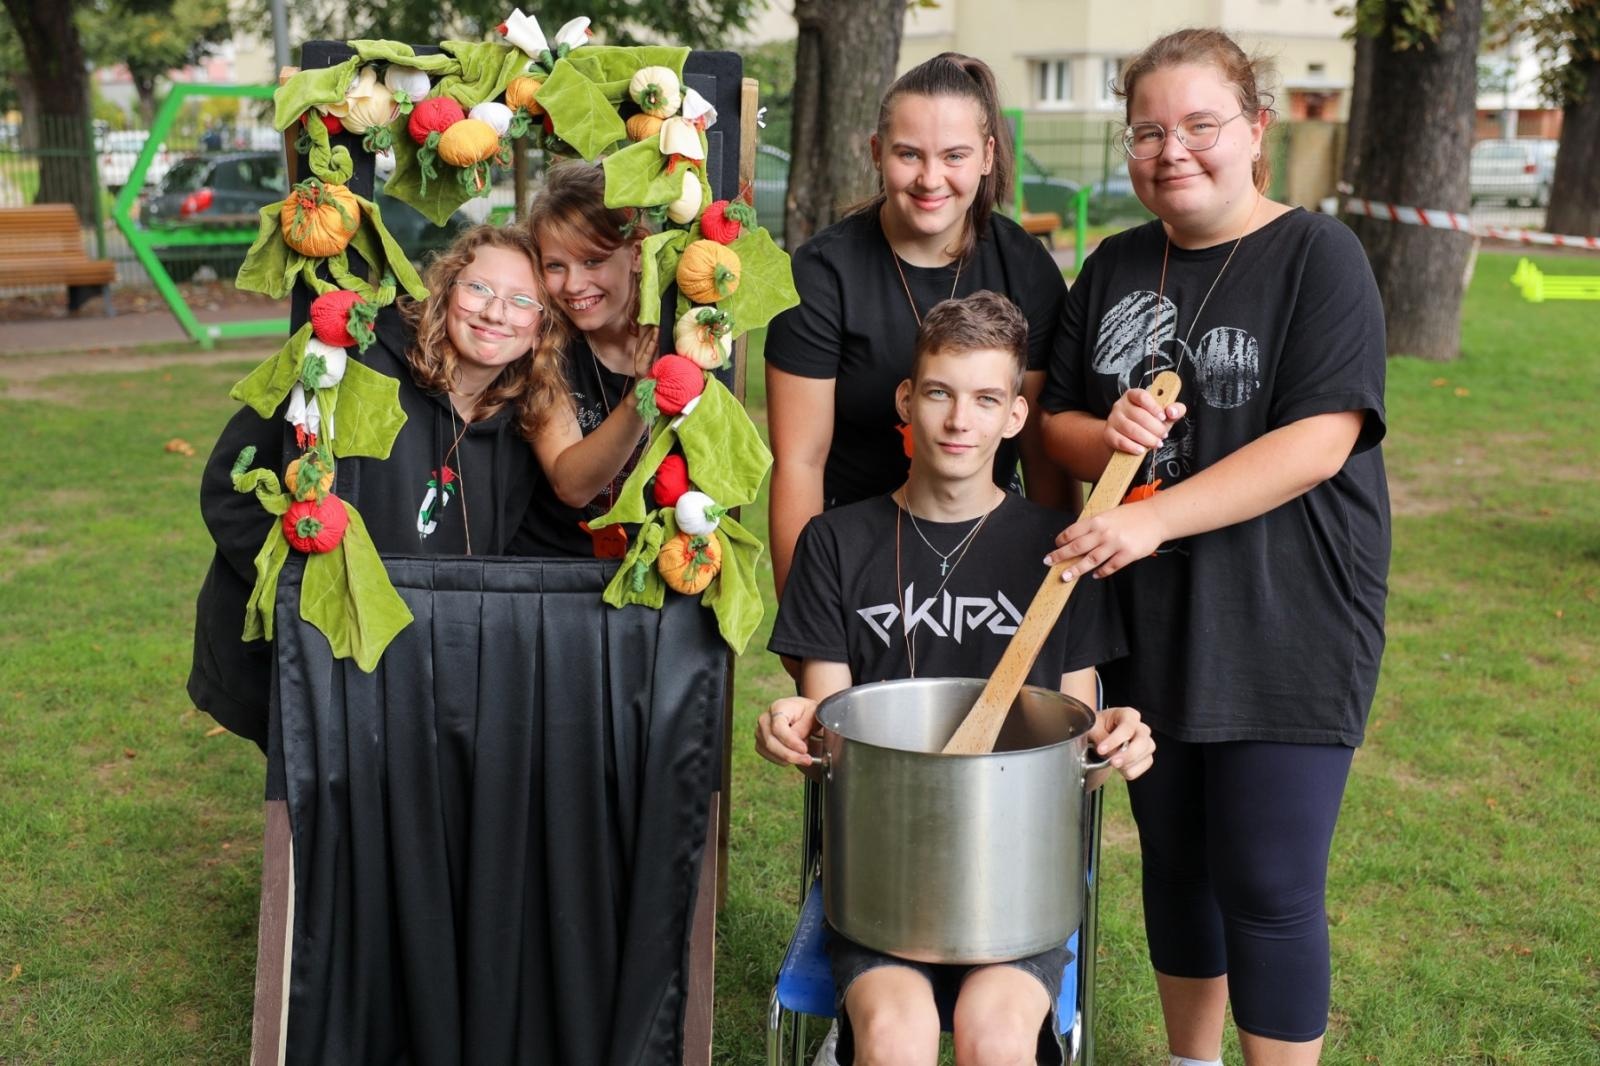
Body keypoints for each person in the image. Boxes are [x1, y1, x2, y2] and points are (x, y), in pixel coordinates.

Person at [1037, 28, 1389, 1066]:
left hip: (1288, 612)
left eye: (1199, 124)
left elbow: (1321, 440)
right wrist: (1100, 435)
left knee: (1268, 882)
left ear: (1253, 129)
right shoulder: (1110, 263)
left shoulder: (1316, 255)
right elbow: (1049, 421)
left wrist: (1147, 517)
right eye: (1147, 129)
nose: (1171, 149)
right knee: (1176, 862)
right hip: (1149, 619)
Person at [757, 291, 1155, 1066]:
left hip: (1020, 878)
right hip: (880, 873)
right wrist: (792, 724)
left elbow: (1074, 732)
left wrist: (1110, 741)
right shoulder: (835, 544)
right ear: (908, 399)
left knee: (996, 1035)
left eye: (985, 399)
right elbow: (828, 716)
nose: (958, 421)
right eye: (939, 393)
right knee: (897, 1036)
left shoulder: (1062, 550)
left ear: (1015, 416)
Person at [188, 224, 567, 749]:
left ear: (542, 326)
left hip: (413, 678)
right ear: (446, 288)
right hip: (311, 654)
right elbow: (231, 483)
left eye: (521, 301)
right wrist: (308, 597)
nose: (495, 312)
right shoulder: (350, 364)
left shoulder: (519, 427)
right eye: (478, 288)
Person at [764, 52, 1074, 607]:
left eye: (954, 155)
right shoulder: (821, 273)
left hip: (993, 555)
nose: (931, 179)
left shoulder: (1025, 268)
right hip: (855, 556)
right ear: (878, 154)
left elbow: (1042, 454)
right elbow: (799, 463)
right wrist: (800, 616)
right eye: (909, 154)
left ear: (987, 157)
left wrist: (1060, 599)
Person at [520, 160, 662, 558]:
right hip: (549, 572)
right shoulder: (545, 345)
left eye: (593, 261)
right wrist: (641, 396)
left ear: (636, 253)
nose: (574, 285)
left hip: (649, 568)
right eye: (555, 266)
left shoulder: (680, 332)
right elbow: (572, 484)